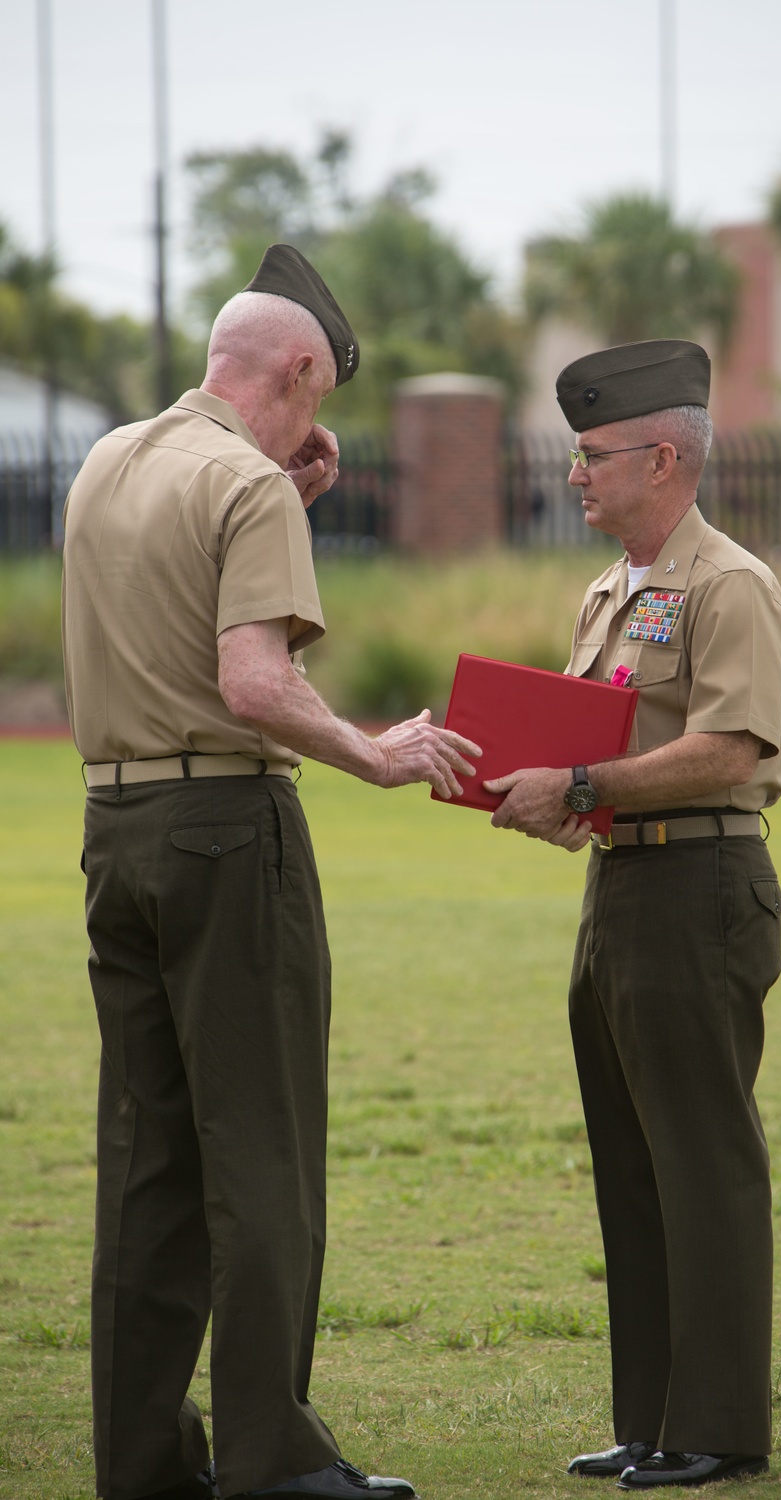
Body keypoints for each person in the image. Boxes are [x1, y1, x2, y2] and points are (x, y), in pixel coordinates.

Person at [61, 244, 480, 1500]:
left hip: (113, 833)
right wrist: (374, 751)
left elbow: (173, 604)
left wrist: (280, 494)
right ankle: (270, 1460)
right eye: (319, 395)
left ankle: (140, 1462)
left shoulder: (108, 462)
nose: (317, 423)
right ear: (300, 368)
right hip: (229, 833)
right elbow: (251, 682)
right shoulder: (243, 485)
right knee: (263, 1155)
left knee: (145, 1163)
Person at [483, 340, 781, 1489]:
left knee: (703, 1159)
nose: (575, 474)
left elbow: (728, 747)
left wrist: (579, 788)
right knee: (630, 1161)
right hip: (620, 884)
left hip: (700, 888)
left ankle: (717, 1426)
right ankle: (653, 1420)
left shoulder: (729, 584)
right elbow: (597, 750)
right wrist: (551, 796)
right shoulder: (611, 590)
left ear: (663, 458)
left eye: (592, 454)